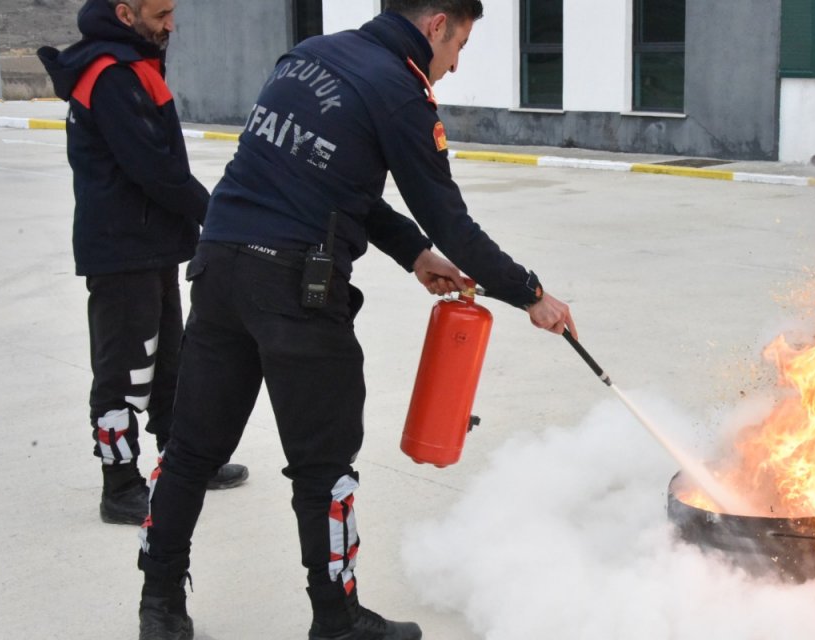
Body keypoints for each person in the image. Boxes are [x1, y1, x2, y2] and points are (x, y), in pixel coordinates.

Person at [134, 0, 576, 638]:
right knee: (325, 466)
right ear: (435, 25)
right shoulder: (399, 90)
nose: (453, 67)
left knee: (191, 451)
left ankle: (160, 606)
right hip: (294, 287)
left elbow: (327, 183)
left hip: (219, 266)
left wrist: (412, 253)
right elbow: (451, 219)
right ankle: (337, 619)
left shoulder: (312, 56)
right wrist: (530, 292)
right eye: (459, 47)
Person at [37, 0, 248, 527]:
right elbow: (153, 167)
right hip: (121, 251)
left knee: (171, 365)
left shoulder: (131, 64)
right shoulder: (109, 75)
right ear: (126, 11)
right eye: (161, 14)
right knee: (123, 373)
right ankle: (120, 486)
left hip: (151, 245)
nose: (170, 24)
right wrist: (218, 217)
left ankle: (183, 466)